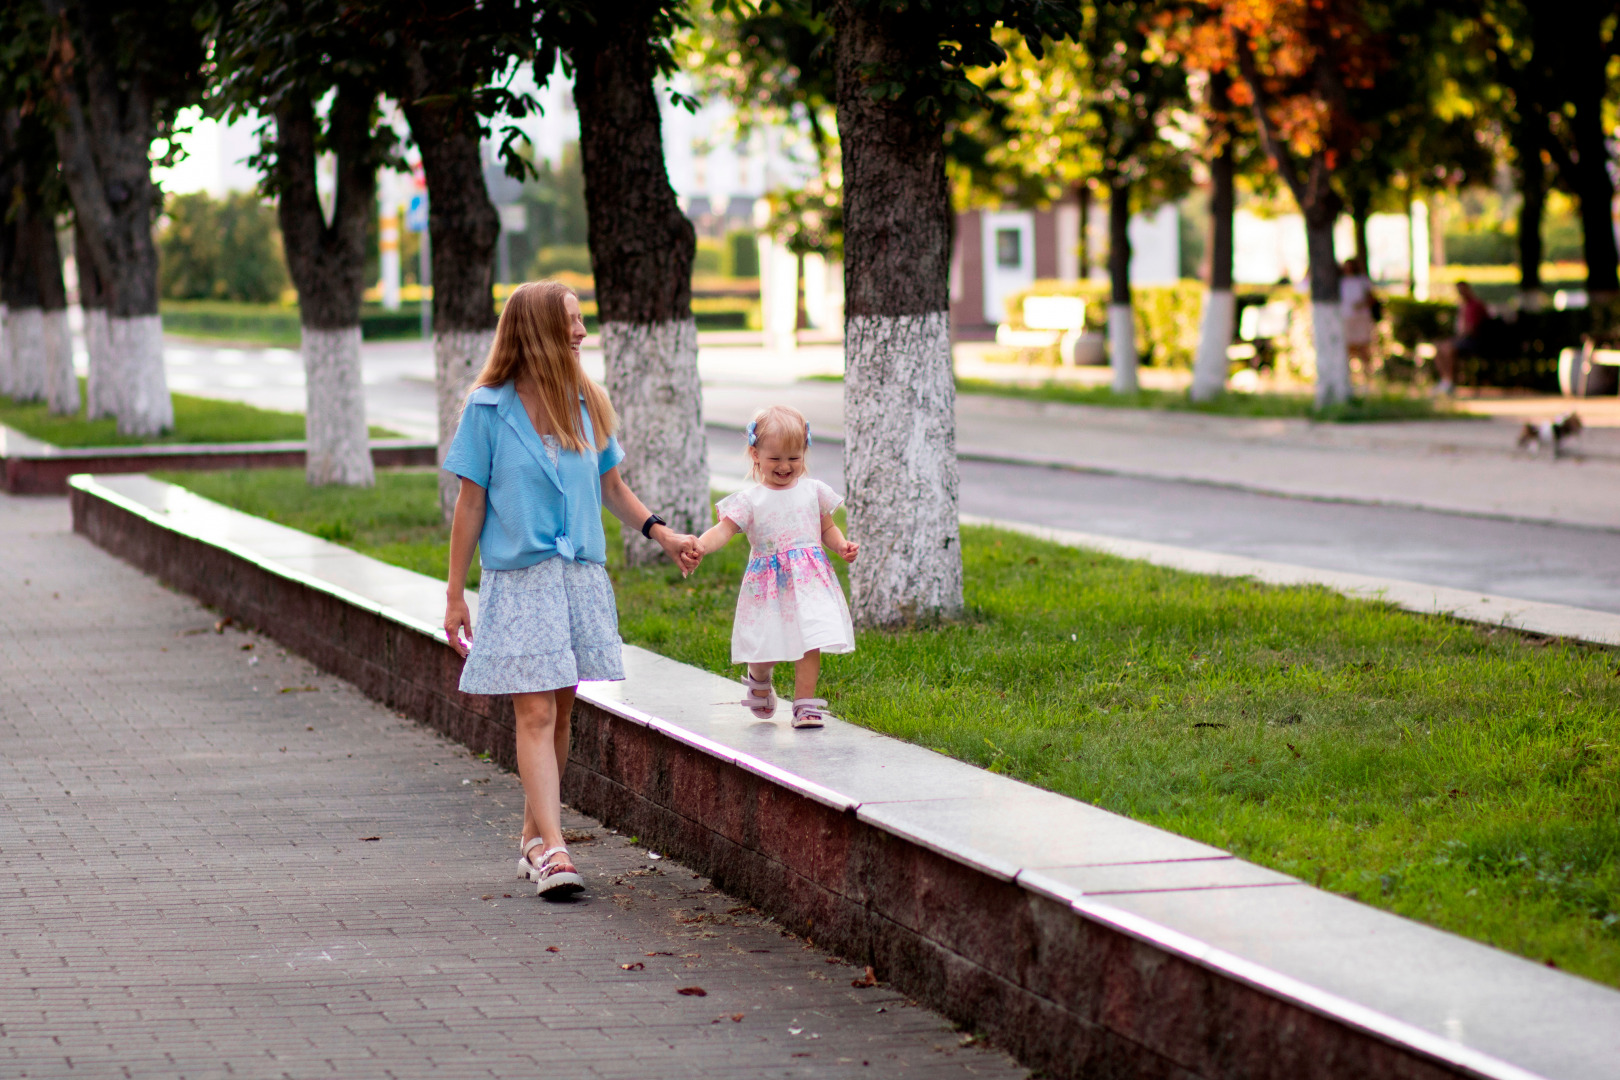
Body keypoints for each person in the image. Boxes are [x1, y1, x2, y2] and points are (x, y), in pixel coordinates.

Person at [442, 280, 698, 898]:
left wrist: (660, 533)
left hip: (579, 577)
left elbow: (612, 487)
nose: (583, 332)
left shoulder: (587, 401)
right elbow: (469, 505)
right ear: (536, 331)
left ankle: (534, 838)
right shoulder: (488, 409)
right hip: (520, 579)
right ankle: (555, 852)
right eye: (572, 322)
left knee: (559, 714)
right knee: (532, 710)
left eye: (582, 320)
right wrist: (455, 593)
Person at [686, 405, 858, 729]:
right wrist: (701, 545)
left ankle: (804, 704)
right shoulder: (750, 500)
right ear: (755, 453)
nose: (784, 466)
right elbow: (723, 530)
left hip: (809, 582)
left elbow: (826, 528)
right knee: (767, 645)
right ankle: (759, 676)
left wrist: (841, 545)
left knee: (811, 638)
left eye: (793, 458)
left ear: (804, 453)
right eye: (775, 458)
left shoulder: (813, 492)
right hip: (769, 585)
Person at [1434, 281, 1488, 396]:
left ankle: (1450, 382)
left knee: (1449, 349)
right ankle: (1446, 380)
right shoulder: (1463, 306)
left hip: (1474, 341)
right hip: (1463, 339)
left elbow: (1472, 330)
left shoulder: (1475, 305)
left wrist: (1456, 340)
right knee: (1439, 348)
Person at [1340, 258, 1377, 373]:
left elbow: (1371, 298)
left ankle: (1367, 373)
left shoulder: (1362, 280)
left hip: (1361, 317)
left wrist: (1362, 305)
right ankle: (1350, 374)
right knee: (1349, 346)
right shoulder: (1341, 282)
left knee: (1363, 345)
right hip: (1346, 317)